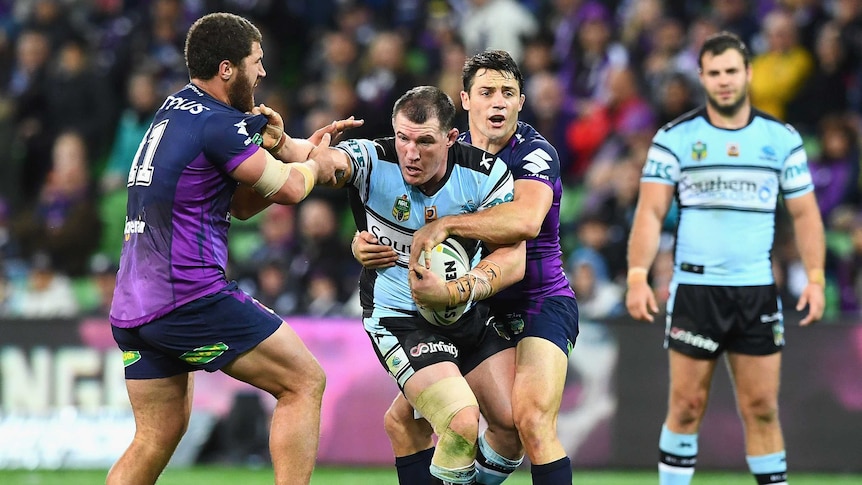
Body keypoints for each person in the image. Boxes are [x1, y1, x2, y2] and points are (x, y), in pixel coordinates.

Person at [106, 13, 362, 485]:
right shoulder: (220, 126)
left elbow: (242, 206)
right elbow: (287, 190)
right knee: (304, 381)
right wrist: (317, 163)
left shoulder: (175, 108)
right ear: (228, 69)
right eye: (256, 62)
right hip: (187, 296)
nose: (262, 73)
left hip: (133, 305)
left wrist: (287, 146)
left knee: (155, 436)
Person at [354, 50, 579, 484]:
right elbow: (406, 222)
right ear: (465, 100)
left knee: (528, 419)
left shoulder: (533, 153)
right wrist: (364, 244)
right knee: (408, 422)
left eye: (508, 93)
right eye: (487, 92)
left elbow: (526, 221)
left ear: (521, 102)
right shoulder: (446, 152)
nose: (497, 102)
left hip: (535, 300)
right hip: (466, 307)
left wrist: (451, 224)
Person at [624, 31, 826, 485]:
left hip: (756, 289)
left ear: (748, 73)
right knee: (686, 405)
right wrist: (638, 275)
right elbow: (651, 212)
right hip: (695, 291)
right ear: (702, 78)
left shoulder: (781, 139)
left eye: (731, 71)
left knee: (762, 408)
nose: (724, 81)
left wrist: (815, 277)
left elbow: (806, 214)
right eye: (714, 73)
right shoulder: (675, 139)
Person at [313, 85, 527, 484]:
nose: (411, 153)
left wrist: (455, 291)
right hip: (400, 317)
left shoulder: (485, 174)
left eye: (425, 141)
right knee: (462, 421)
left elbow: (512, 258)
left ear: (451, 138)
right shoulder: (372, 159)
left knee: (512, 426)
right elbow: (327, 166)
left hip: (468, 312)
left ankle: (404, 422)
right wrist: (298, 151)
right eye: (403, 139)